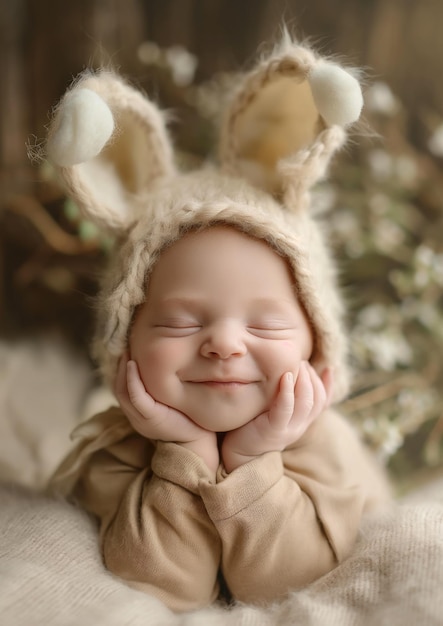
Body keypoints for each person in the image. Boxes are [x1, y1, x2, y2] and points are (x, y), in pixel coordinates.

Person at [48, 37, 391, 612]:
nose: (226, 344)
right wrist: (184, 453)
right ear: (124, 341)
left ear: (317, 344)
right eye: (181, 323)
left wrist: (255, 458)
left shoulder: (326, 449)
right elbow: (161, 589)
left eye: (267, 326)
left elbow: (288, 585)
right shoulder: (116, 453)